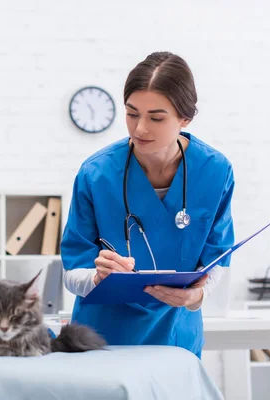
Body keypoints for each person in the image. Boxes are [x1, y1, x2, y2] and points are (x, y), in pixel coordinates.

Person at [61, 51, 235, 358]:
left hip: (175, 337)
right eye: (131, 114)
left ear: (185, 118)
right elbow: (73, 269)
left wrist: (197, 295)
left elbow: (217, 259)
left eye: (156, 117)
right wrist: (96, 278)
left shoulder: (215, 171)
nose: (140, 128)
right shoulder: (96, 173)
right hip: (101, 339)